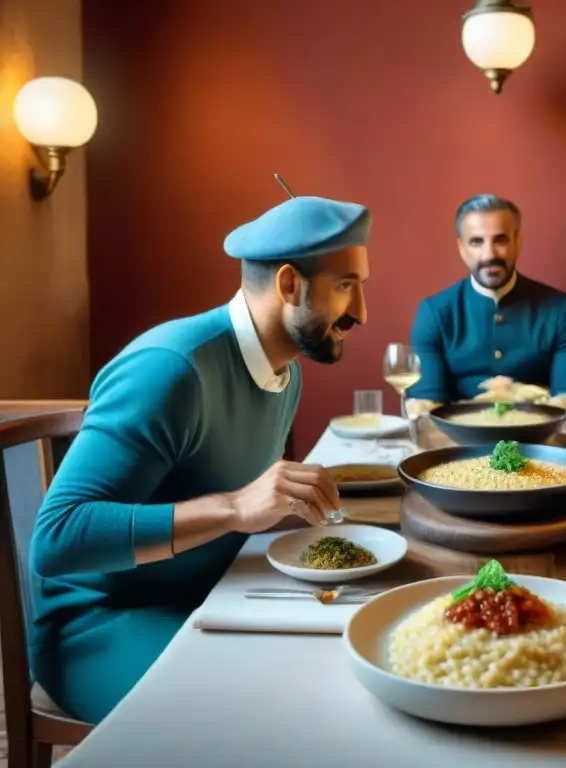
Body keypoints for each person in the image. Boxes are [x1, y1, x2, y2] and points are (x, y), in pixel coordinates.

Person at [28, 191, 372, 724]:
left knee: (350, 667)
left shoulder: (287, 373)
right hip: (101, 625)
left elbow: (243, 495)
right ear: (288, 284)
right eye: (346, 286)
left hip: (212, 592)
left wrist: (282, 504)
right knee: (278, 718)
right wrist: (236, 508)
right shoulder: (170, 369)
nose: (363, 313)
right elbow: (56, 541)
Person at [405, 194, 566, 411]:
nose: (489, 254)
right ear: (461, 248)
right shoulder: (434, 313)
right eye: (476, 242)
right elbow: (426, 402)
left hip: (538, 437)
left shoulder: (560, 309)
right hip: (459, 439)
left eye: (500, 240)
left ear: (517, 242)